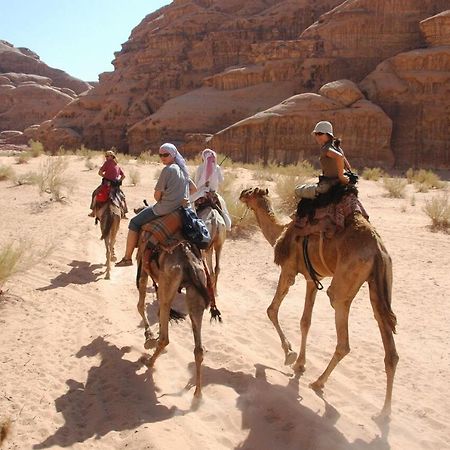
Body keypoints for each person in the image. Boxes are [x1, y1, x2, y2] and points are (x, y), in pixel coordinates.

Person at [115, 143, 196, 267]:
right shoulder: (183, 170)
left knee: (134, 222)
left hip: (164, 209)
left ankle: (127, 258)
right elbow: (194, 189)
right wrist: (178, 196)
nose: (163, 157)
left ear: (173, 154)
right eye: (161, 155)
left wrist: (167, 197)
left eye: (166, 155)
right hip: (182, 209)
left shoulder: (167, 170)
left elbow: (157, 196)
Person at [295, 121, 352, 199]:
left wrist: (341, 176)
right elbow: (348, 167)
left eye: (320, 134)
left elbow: (339, 157)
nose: (317, 136)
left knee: (297, 190)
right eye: (316, 134)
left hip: (327, 184)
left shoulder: (326, 148)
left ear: (328, 135)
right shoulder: (337, 147)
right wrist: (343, 179)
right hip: (338, 183)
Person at [190, 148, 232, 230]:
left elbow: (196, 182)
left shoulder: (200, 168)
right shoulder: (217, 167)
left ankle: (192, 224)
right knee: (223, 208)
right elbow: (221, 180)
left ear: (203, 158)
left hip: (202, 194)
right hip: (213, 194)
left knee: (190, 203)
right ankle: (228, 225)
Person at [89, 150, 128, 217]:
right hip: (115, 186)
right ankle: (124, 213)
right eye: (105, 156)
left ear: (112, 156)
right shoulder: (117, 165)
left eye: (107, 156)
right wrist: (118, 181)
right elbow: (123, 176)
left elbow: (99, 173)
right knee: (122, 197)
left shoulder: (107, 163)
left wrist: (106, 177)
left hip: (106, 184)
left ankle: (93, 212)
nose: (106, 157)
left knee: (95, 193)